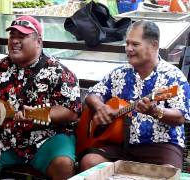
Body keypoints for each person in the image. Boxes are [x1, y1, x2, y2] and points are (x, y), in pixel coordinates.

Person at [0, 15, 82, 179]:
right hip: (5, 139)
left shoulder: (60, 72)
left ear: (38, 41)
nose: (15, 41)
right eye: (12, 36)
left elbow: (71, 111)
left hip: (47, 139)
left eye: (22, 36)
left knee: (63, 164)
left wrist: (36, 114)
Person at [78, 20, 190, 171]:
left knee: (168, 173)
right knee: (89, 162)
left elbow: (180, 117)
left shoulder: (173, 77)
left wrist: (154, 111)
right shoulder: (119, 73)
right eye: (127, 43)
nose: (128, 49)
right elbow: (92, 94)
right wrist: (100, 107)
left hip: (161, 145)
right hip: (122, 144)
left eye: (135, 44)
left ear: (154, 45)